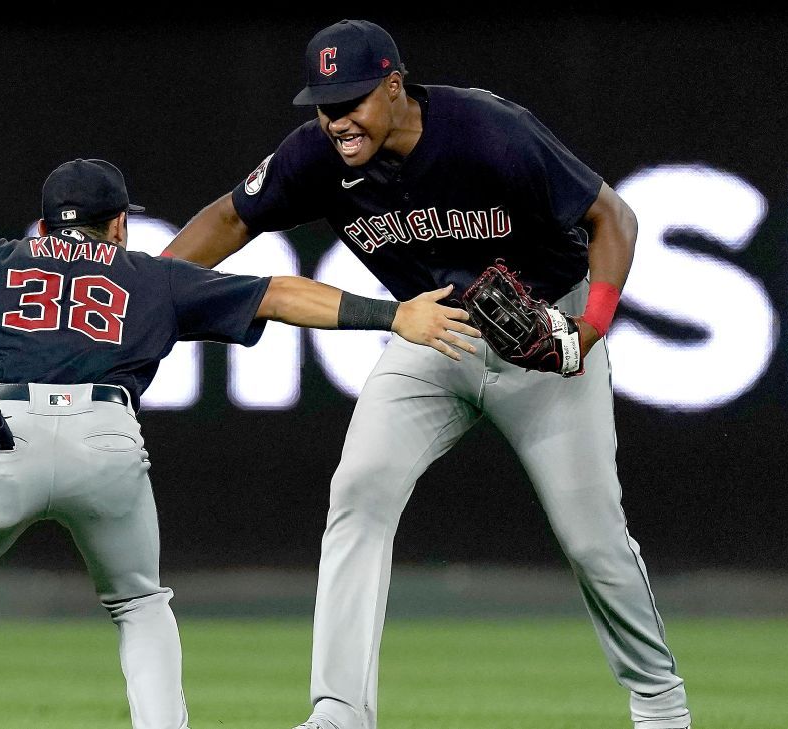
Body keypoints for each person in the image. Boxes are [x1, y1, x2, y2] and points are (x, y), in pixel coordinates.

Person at [0, 157, 480, 729]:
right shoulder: (150, 275)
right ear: (119, 225)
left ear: (45, 225)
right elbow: (278, 292)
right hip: (104, 439)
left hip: (0, 435)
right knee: (139, 602)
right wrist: (392, 314)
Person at [162, 19, 691, 729]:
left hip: (541, 335)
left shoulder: (487, 131)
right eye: (323, 102)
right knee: (359, 489)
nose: (335, 118)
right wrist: (147, 287)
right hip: (431, 333)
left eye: (350, 99)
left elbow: (613, 217)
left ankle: (660, 703)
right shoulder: (317, 155)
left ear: (392, 85)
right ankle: (340, 710)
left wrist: (588, 330)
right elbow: (232, 217)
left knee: (592, 535)